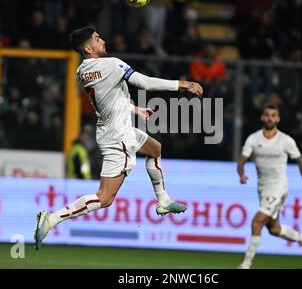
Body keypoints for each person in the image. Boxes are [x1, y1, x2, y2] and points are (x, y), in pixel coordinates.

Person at [34, 26, 203, 249]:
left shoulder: (81, 72)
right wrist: (183, 84)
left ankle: (163, 200)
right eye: (96, 38)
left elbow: (108, 99)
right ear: (88, 47)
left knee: (154, 148)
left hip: (113, 128)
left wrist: (133, 110)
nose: (102, 40)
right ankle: (52, 219)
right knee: (104, 198)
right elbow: (144, 82)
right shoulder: (111, 64)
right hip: (119, 136)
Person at [236, 105, 302, 269]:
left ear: (278, 119)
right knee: (274, 229)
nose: (270, 118)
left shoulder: (285, 140)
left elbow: (300, 161)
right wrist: (241, 174)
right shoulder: (253, 139)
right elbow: (241, 161)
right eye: (267, 115)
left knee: (256, 222)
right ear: (262, 117)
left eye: (273, 115)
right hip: (263, 188)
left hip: (279, 187)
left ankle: (246, 264)